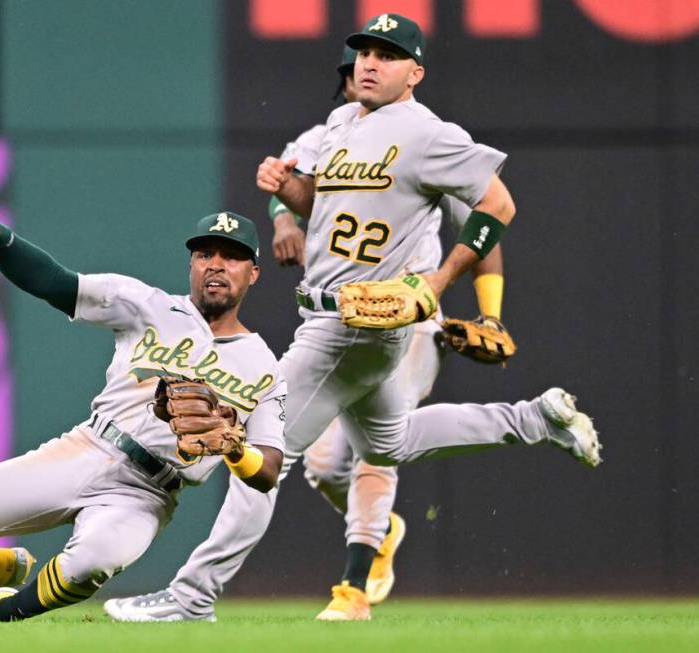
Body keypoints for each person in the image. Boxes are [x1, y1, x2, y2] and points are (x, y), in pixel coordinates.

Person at [106, 12, 600, 623]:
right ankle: (533, 419)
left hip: (350, 326)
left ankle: (192, 597)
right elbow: (324, 208)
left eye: (388, 55)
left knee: (263, 451)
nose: (370, 62)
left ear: (415, 73)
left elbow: (498, 202)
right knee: (389, 442)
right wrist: (288, 196)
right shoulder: (343, 123)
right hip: (343, 317)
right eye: (365, 51)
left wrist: (441, 282)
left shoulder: (427, 134)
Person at [0, 211, 287, 623]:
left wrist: (235, 450)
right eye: (204, 254)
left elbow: (268, 471)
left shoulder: (264, 367)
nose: (215, 264)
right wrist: (1, 238)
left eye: (231, 256)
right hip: (87, 449)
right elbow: (53, 282)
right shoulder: (147, 306)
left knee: (89, 565)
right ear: (192, 265)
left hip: (146, 493)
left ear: (253, 273)